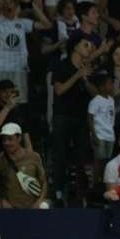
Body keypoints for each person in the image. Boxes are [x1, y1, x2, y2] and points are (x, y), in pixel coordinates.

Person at [0, 0, 51, 104]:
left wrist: (31, 5)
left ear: (16, 5)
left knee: (18, 101)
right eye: (5, 2)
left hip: (19, 68)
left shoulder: (23, 22)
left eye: (10, 2)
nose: (8, 5)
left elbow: (47, 25)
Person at [51, 35, 96, 206]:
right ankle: (58, 191)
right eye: (85, 44)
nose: (89, 48)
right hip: (62, 116)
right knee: (60, 154)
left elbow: (94, 95)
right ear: (75, 47)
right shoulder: (62, 65)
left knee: (81, 156)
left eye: (91, 46)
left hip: (81, 117)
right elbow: (59, 90)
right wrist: (78, 74)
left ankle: (80, 194)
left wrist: (84, 78)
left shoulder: (88, 68)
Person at [0, 123, 48, 209]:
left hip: (33, 207)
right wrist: (3, 203)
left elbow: (43, 182)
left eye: (10, 139)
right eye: (4, 140)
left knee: (44, 206)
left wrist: (38, 202)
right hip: (10, 209)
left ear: (19, 138)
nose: (6, 143)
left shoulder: (34, 157)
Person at [88, 73, 116, 191]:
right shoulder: (95, 101)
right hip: (99, 135)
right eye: (109, 84)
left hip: (110, 135)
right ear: (102, 86)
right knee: (98, 160)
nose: (112, 86)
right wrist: (94, 135)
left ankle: (105, 184)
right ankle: (95, 184)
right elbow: (90, 118)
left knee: (107, 161)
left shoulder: (111, 100)